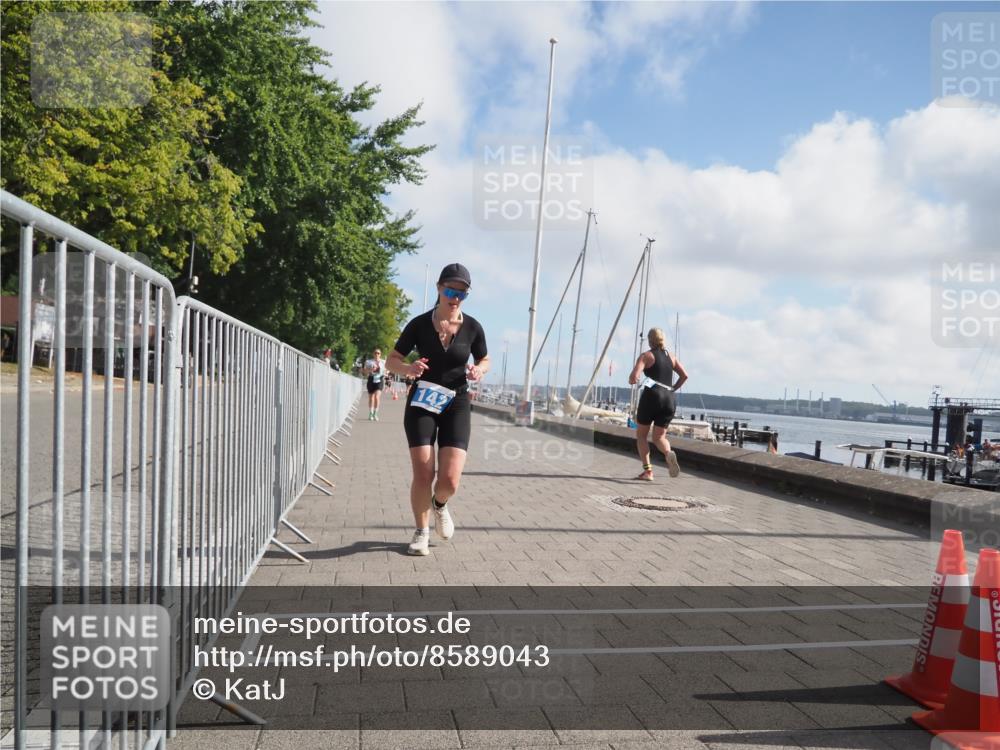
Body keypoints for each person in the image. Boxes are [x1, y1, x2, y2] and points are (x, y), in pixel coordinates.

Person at [386, 263, 489, 556]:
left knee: (450, 480)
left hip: (457, 402)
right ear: (439, 289)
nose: (455, 297)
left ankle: (439, 504)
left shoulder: (473, 327)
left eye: (462, 293)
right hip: (422, 401)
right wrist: (408, 368)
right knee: (423, 473)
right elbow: (392, 360)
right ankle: (421, 531)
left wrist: (479, 370)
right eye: (450, 291)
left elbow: (485, 359)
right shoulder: (419, 324)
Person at [627, 327, 688, 481]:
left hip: (652, 396)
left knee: (641, 435)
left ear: (650, 340)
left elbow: (634, 377)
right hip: (669, 398)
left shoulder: (646, 356)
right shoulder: (671, 357)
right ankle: (668, 453)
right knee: (659, 437)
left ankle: (648, 471)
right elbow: (684, 375)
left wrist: (633, 378)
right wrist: (673, 388)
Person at [364, 348, 386, 420]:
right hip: (371, 379)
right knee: (371, 397)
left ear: (380, 354)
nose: (377, 354)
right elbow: (365, 371)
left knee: (377, 397)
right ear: (373, 354)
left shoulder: (383, 362)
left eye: (378, 353)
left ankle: (375, 413)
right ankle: (371, 413)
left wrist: (385, 373)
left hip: (380, 380)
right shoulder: (369, 362)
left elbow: (387, 370)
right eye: (375, 353)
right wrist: (371, 370)